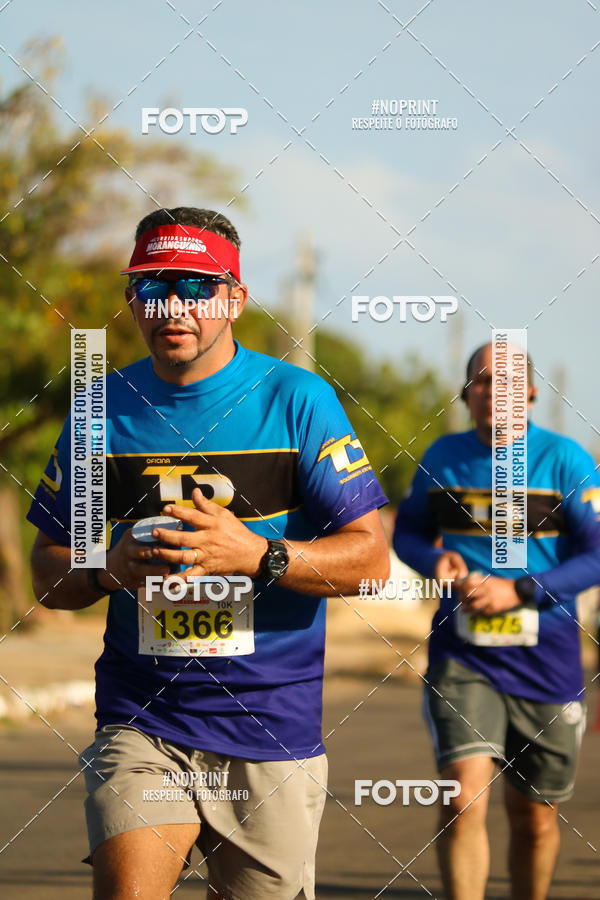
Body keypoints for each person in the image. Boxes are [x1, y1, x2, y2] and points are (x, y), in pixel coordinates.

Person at [27, 206, 390, 900]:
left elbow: (370, 561)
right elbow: (49, 571)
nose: (172, 305)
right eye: (152, 286)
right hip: (142, 720)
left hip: (269, 730)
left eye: (196, 285)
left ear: (236, 299)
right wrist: (106, 568)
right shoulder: (100, 410)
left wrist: (260, 556)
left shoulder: (296, 400)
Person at [393, 342, 600, 900]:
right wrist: (435, 559)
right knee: (464, 800)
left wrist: (522, 590)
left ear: (531, 393)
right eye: (481, 381)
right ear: (467, 396)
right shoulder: (441, 457)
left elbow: (597, 553)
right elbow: (406, 533)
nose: (493, 391)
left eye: (507, 381)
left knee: (533, 816)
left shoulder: (565, 460)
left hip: (547, 661)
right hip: (463, 657)